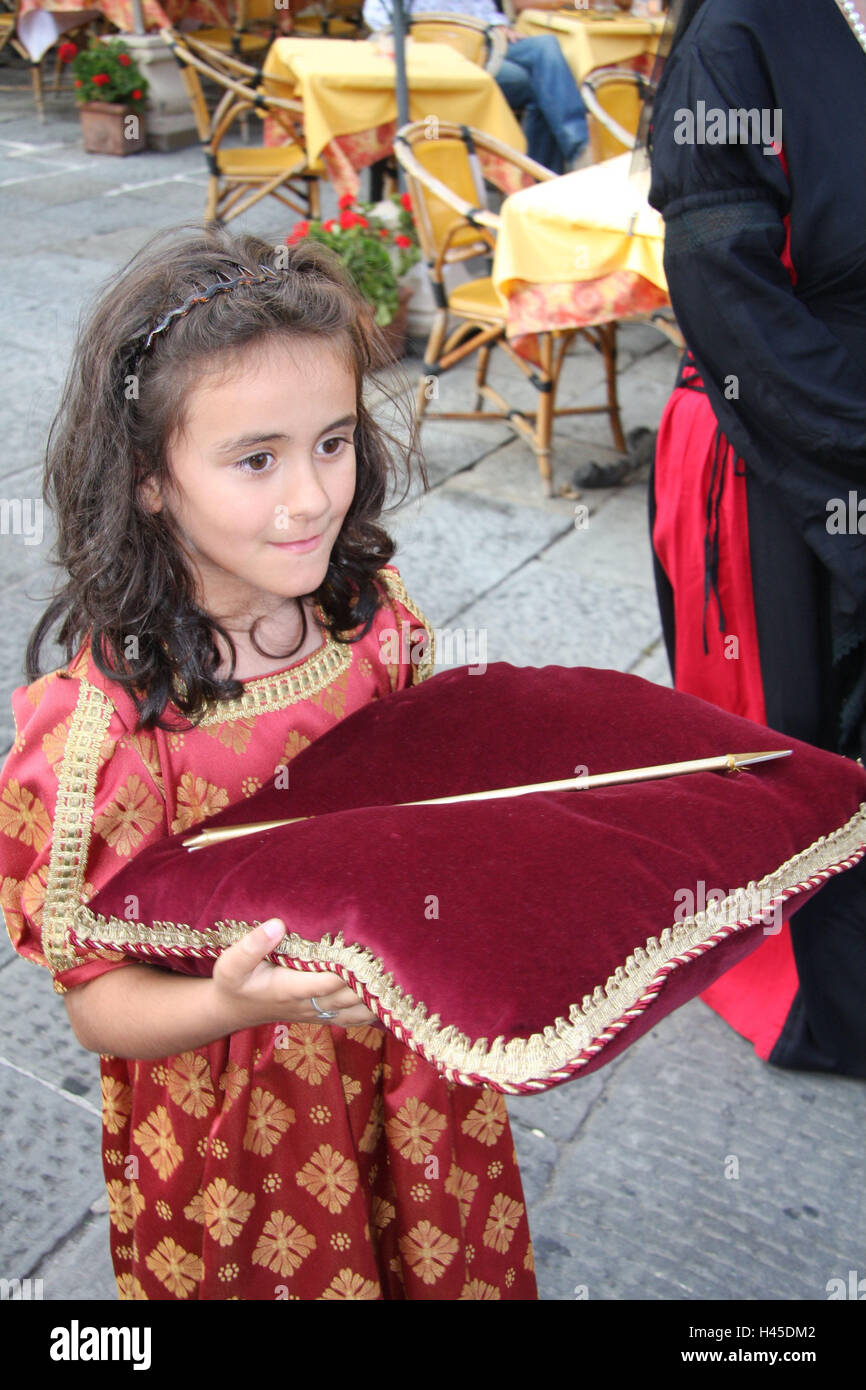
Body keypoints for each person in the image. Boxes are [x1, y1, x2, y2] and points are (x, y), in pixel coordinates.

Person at [0, 227, 536, 1300]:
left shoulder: (377, 633)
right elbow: (97, 1003)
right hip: (242, 1130)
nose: (309, 497)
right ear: (149, 480)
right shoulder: (103, 738)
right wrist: (235, 1004)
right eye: (256, 458)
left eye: (331, 442)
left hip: (412, 1072)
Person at [646, 0, 866, 1075]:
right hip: (776, 428)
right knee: (812, 730)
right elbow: (722, 283)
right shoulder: (732, 37)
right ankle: (830, 992)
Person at [361, 0, 589, 174]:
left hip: (483, 43)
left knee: (545, 47)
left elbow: (485, 9)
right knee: (537, 85)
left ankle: (579, 146)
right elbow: (376, 14)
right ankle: (553, 167)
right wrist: (413, 35)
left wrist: (498, 24)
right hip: (439, 56)